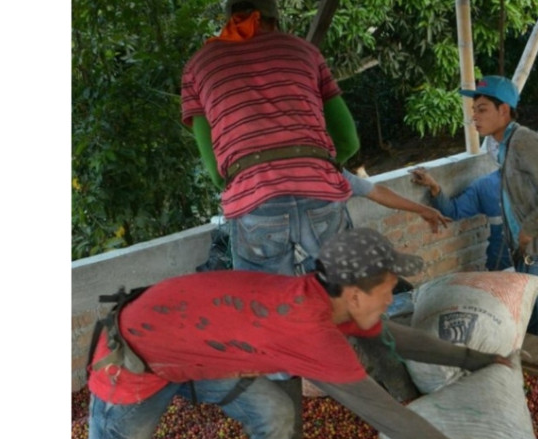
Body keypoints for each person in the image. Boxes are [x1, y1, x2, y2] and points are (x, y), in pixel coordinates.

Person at [72, 228, 536, 439]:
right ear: (353, 295)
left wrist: (470, 358)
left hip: (193, 348)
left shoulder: (327, 298)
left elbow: (391, 336)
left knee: (274, 415)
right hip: (130, 366)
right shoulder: (312, 333)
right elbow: (392, 418)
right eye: (387, 289)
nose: (391, 298)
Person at [181, 0, 448, 277]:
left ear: (228, 19)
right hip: (321, 193)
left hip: (255, 203)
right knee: (346, 296)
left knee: (267, 308)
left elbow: (215, 171)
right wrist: (317, 167)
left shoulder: (198, 66)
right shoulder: (303, 51)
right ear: (275, 19)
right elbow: (347, 140)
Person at [461, 75, 538, 348]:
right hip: (531, 257)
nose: (475, 117)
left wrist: (529, 229)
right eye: (473, 111)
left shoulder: (523, 140)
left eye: (482, 109)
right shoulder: (505, 145)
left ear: (503, 110)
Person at [409, 168, 513, 271]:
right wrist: (434, 187)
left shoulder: (525, 183)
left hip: (523, 262)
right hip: (502, 266)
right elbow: (452, 211)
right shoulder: (487, 186)